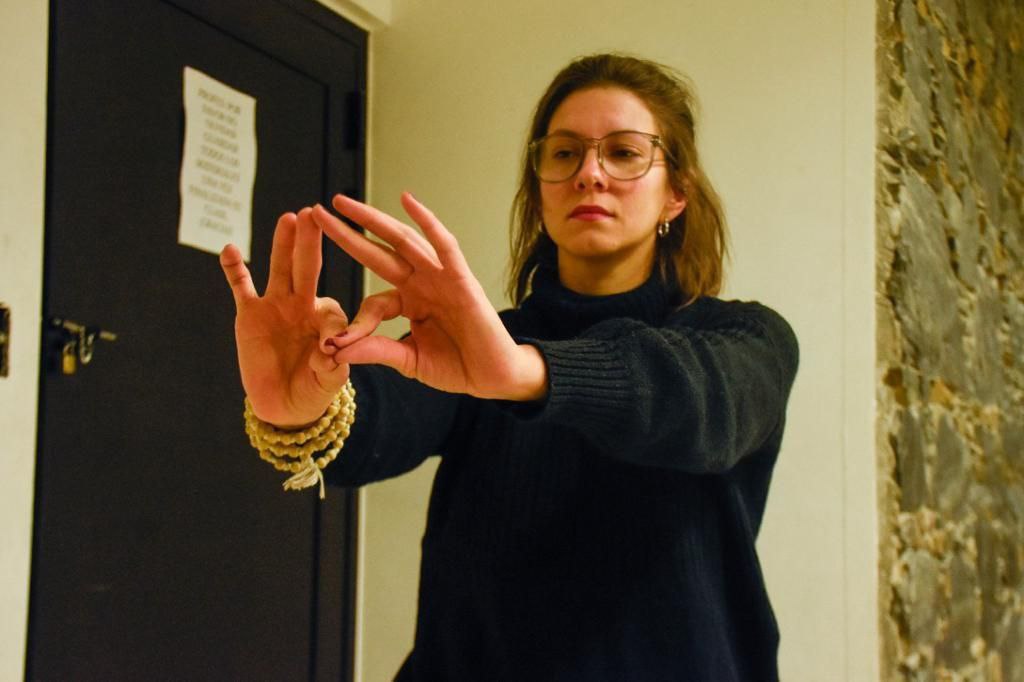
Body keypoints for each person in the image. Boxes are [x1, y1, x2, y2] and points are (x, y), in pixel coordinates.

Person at [220, 53, 799, 681]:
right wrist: (307, 406)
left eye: (624, 153)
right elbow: (387, 418)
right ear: (540, 187)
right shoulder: (485, 344)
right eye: (565, 153)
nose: (590, 174)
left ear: (676, 194)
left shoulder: (746, 339)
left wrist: (529, 373)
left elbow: (701, 406)